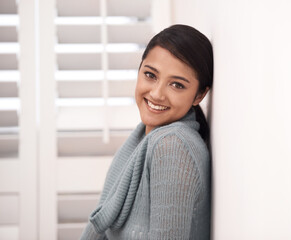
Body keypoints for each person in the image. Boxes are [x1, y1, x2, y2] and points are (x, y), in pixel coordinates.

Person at [80, 24, 213, 240]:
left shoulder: (173, 146)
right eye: (150, 75)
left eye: (177, 85)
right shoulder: (144, 136)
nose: (157, 94)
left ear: (199, 95)